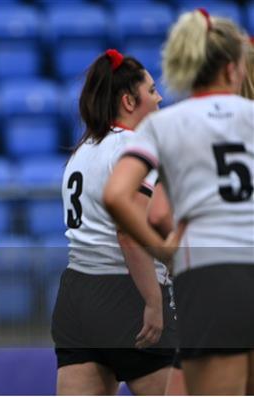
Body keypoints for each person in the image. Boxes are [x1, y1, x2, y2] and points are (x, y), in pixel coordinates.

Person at [104, 9, 253, 395]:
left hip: (210, 271)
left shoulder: (166, 123)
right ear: (232, 68)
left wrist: (163, 249)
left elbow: (126, 198)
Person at [51, 49, 178, 395]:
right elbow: (129, 231)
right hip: (128, 293)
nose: (160, 97)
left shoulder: (83, 151)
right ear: (128, 100)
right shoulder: (135, 149)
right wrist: (153, 300)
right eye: (151, 91)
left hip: (77, 295)